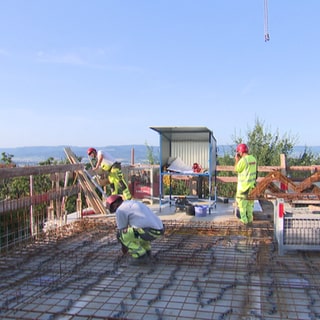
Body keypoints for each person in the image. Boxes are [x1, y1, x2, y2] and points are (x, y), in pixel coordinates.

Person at [106, 195, 165, 264]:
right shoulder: (132, 203)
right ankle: (147, 251)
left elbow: (121, 230)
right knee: (136, 232)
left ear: (114, 204)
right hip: (159, 230)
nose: (114, 210)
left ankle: (140, 256)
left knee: (120, 235)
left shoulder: (120, 210)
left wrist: (124, 249)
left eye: (112, 208)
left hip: (149, 232)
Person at [234, 143, 257, 225]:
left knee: (242, 208)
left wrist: (237, 160)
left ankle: (244, 223)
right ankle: (250, 221)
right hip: (252, 187)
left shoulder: (243, 160)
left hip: (243, 188)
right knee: (249, 206)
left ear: (240, 152)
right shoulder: (253, 159)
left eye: (238, 152)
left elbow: (236, 169)